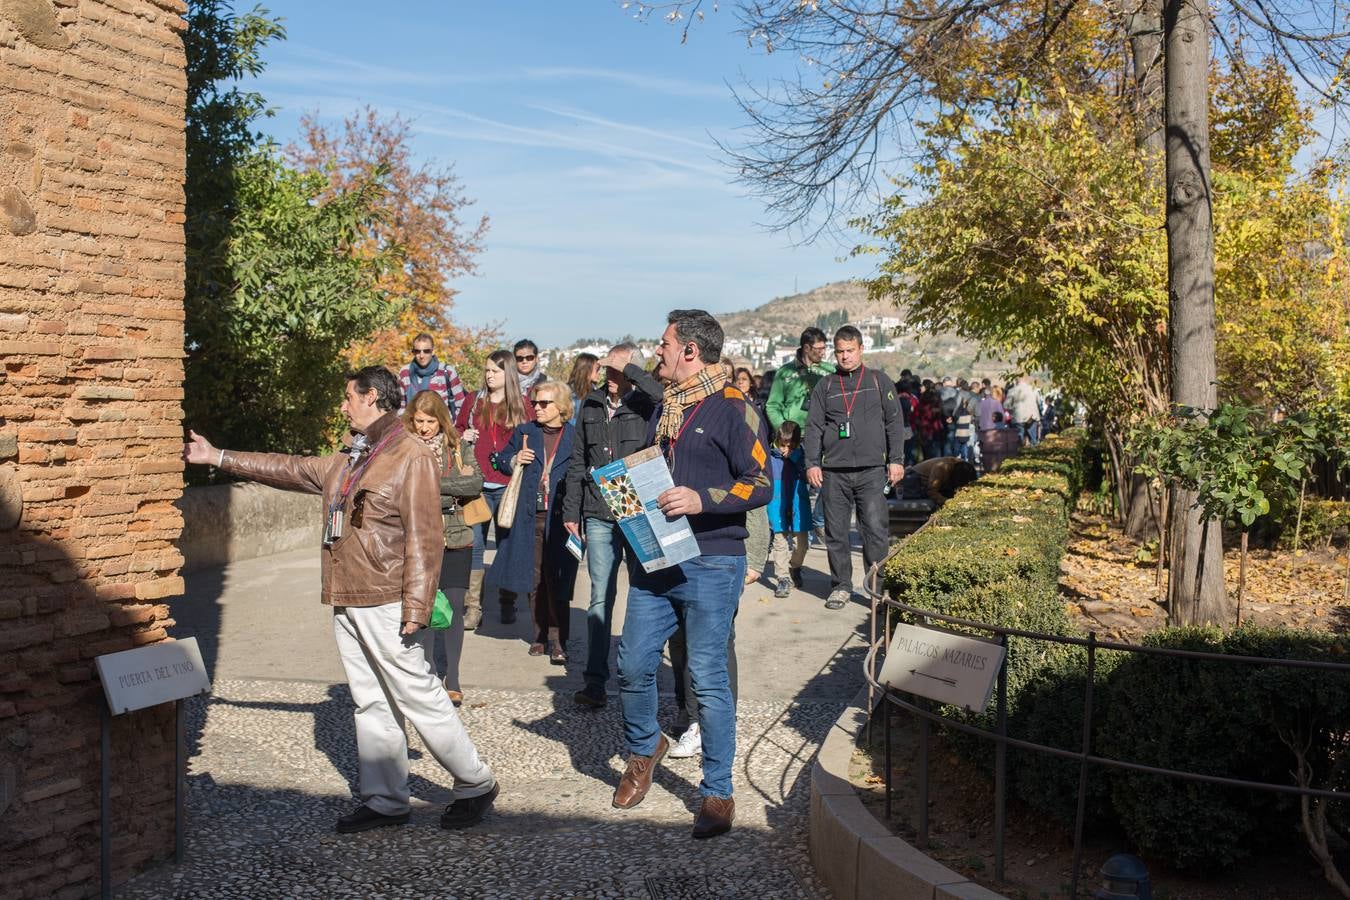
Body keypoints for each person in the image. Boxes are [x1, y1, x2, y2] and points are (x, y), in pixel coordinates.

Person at [182, 367, 498, 833]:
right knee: (370, 700)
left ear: (372, 397)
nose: (343, 405)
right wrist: (217, 455)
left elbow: (426, 537)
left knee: (417, 692)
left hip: (388, 597)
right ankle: (386, 799)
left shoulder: (409, 454)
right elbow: (289, 468)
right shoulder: (353, 456)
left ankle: (476, 782)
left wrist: (416, 605)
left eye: (349, 397)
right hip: (348, 594)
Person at [612, 309, 770, 840]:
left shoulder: (733, 408)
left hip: (713, 561)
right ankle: (644, 748)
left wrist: (703, 499)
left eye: (664, 345)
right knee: (632, 664)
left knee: (705, 678)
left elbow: (761, 483)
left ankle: (717, 791)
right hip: (657, 559)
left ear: (690, 352)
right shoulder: (667, 407)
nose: (657, 352)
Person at [562, 343, 664, 709]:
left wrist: (632, 372)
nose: (610, 375)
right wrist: (571, 510)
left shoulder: (644, 402)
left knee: (644, 594)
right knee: (599, 596)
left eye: (617, 369)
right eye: (607, 368)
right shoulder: (590, 404)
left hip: (636, 507)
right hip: (597, 508)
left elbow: (662, 395)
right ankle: (594, 682)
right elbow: (577, 461)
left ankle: (637, 676)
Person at [804, 325, 908, 610]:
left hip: (872, 470)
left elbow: (894, 423)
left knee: (874, 530)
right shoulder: (825, 386)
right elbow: (813, 427)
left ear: (861, 349)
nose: (845, 356)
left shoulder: (879, 381)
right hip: (834, 471)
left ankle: (876, 588)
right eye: (840, 351)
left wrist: (896, 460)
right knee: (836, 532)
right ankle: (840, 585)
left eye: (850, 351)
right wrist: (812, 463)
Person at [487, 380, 578, 663]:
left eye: (544, 403)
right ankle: (539, 637)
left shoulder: (574, 436)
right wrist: (515, 459)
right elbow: (498, 461)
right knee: (535, 578)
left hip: (563, 519)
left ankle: (558, 639)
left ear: (561, 407)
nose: (536, 407)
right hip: (529, 517)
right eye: (535, 402)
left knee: (559, 580)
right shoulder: (526, 432)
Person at [404, 390, 482, 706]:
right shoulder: (406, 450)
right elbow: (405, 489)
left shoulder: (458, 448)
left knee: (451, 609)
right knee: (425, 610)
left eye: (430, 421)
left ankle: (455, 677)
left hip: (457, 538)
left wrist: (434, 485)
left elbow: (474, 484)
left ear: (441, 419)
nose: (424, 428)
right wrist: (452, 490)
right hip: (420, 539)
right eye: (419, 421)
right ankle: (431, 673)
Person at [456, 350, 533, 628]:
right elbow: (456, 430)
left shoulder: (523, 404)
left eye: (495, 371)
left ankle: (506, 601)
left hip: (508, 486)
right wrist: (462, 435)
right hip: (476, 486)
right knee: (474, 544)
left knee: (506, 545)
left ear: (508, 374)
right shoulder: (473, 401)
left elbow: (531, 439)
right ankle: (473, 607)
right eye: (487, 370)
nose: (489, 376)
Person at [766, 421, 811, 598]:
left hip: (798, 502)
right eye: (782, 445)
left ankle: (795, 566)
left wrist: (794, 457)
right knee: (780, 540)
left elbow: (808, 476)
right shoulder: (771, 458)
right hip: (777, 502)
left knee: (803, 544)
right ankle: (782, 578)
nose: (785, 449)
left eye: (789, 446)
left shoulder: (802, 457)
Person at [764, 327, 833, 430]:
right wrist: (782, 429)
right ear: (806, 348)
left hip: (821, 434)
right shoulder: (784, 372)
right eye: (819, 349)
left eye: (824, 348)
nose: (823, 353)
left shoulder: (830, 371)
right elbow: (772, 405)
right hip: (792, 438)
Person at [398, 333, 467, 419]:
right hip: (412, 427)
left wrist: (452, 428)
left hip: (442, 427)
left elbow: (461, 405)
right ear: (413, 352)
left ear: (433, 351)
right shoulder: (405, 372)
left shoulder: (447, 372)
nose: (421, 355)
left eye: (426, 351)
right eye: (417, 351)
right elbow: (401, 408)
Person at [898, 456, 978, 508]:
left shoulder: (963, 466)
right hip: (913, 483)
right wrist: (949, 503)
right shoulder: (941, 469)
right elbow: (931, 492)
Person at [1004, 375, 1044, 446]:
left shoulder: (1012, 391)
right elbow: (1039, 402)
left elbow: (1006, 406)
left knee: (1019, 439)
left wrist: (1012, 411)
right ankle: (1034, 452)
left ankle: (1020, 453)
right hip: (1032, 416)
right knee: (1033, 439)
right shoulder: (1033, 389)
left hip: (1018, 417)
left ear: (1016, 381)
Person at [565, 352, 600, 425]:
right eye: (597, 370)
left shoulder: (596, 392)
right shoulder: (566, 391)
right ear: (587, 370)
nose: (599, 373)